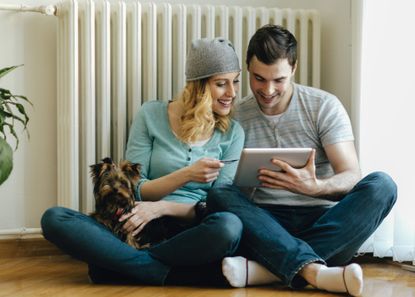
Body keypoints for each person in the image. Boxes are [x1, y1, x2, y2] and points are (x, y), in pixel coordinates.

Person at [207, 25, 397, 296]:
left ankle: (267, 270)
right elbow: (225, 188)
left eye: (279, 80)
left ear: (293, 68)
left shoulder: (323, 106)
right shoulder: (235, 115)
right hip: (266, 225)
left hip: (322, 220)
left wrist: (314, 187)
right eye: (259, 79)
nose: (268, 90)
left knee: (382, 186)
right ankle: (313, 269)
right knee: (219, 194)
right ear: (247, 68)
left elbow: (351, 175)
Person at [41, 37, 245, 286]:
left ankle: (121, 264)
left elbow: (218, 205)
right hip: (138, 225)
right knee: (55, 218)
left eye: (235, 82)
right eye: (221, 84)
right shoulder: (151, 114)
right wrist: (186, 174)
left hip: (191, 231)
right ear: (198, 86)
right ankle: (171, 273)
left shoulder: (233, 133)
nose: (232, 93)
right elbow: (135, 187)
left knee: (229, 226)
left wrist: (161, 208)